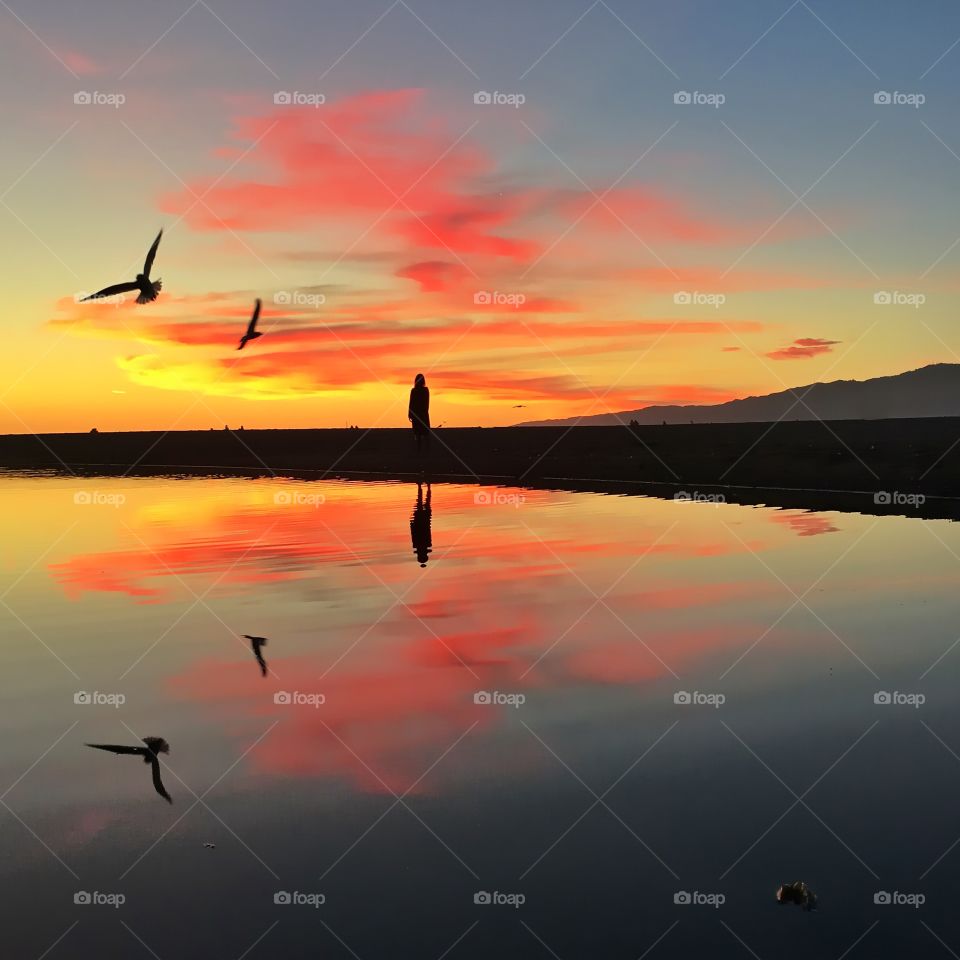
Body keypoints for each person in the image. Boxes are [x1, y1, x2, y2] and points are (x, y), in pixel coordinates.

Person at [410, 482, 432, 567]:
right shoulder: (418, 545)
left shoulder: (425, 545)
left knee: (424, 502)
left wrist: (412, 523)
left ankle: (426, 486)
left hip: (423, 522)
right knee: (423, 502)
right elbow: (414, 534)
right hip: (422, 523)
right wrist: (412, 524)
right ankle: (424, 486)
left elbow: (414, 534)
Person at [408, 373, 430, 454]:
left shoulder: (415, 391)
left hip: (418, 414)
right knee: (424, 433)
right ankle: (424, 450)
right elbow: (426, 403)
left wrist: (410, 414)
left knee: (419, 434)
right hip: (422, 414)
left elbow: (411, 403)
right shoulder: (424, 390)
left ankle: (420, 450)